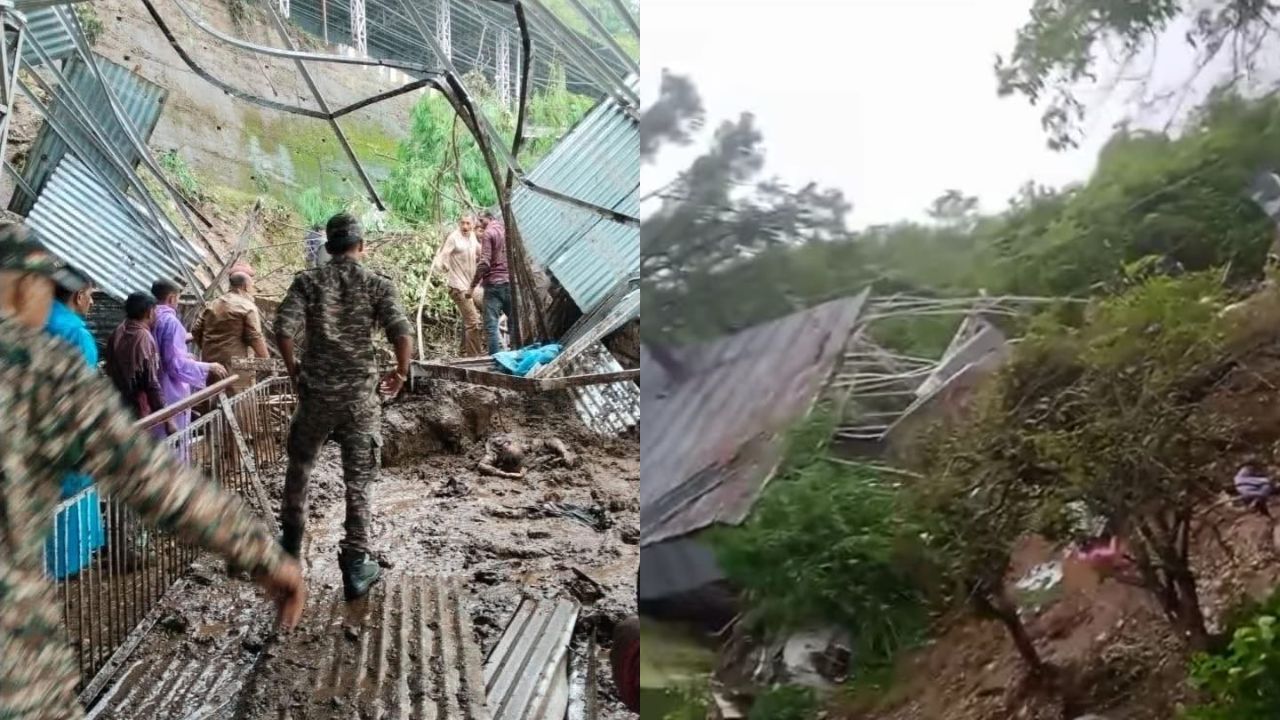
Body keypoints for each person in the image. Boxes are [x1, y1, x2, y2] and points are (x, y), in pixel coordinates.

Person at [0, 223, 305, 718]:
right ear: (22, 288)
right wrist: (262, 554)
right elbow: (153, 479)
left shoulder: (165, 322)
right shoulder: (38, 366)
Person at [275, 212, 413, 600]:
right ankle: (355, 565)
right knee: (359, 481)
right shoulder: (376, 284)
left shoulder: (307, 282)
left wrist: (293, 370)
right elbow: (402, 333)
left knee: (300, 469)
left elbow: (282, 329)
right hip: (359, 401)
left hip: (315, 398)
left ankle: (289, 550)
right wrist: (401, 373)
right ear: (361, 246)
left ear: (329, 247)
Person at [42, 266, 105, 580]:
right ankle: (66, 567)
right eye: (90, 295)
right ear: (79, 296)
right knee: (71, 497)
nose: (91, 302)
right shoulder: (75, 334)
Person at [151, 278, 227, 438]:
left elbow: (162, 352)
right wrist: (207, 367)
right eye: (178, 299)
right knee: (172, 439)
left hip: (152, 386)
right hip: (168, 389)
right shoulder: (171, 322)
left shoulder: (150, 317)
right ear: (172, 298)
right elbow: (174, 364)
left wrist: (185, 355)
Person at [105, 292, 175, 435]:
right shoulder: (143, 337)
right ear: (149, 312)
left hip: (116, 403)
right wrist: (168, 420)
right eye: (155, 310)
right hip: (136, 407)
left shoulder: (117, 331)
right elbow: (151, 383)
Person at [192, 271, 269, 395]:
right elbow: (255, 337)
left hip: (211, 363)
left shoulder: (212, 304)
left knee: (213, 397)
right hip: (237, 367)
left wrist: (209, 349)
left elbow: (196, 330)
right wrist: (267, 361)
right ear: (245, 287)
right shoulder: (247, 307)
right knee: (239, 400)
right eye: (252, 286)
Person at [430, 214, 484, 356]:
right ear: (459, 223)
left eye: (468, 223)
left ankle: (464, 350)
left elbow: (480, 251)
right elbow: (443, 255)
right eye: (462, 223)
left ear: (473, 225)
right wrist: (443, 265)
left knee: (486, 309)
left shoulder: (472, 237)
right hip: (457, 286)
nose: (465, 226)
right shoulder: (454, 237)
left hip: (471, 286)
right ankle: (474, 357)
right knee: (473, 322)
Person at [471, 209, 518, 355]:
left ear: (489, 218)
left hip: (493, 285)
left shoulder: (488, 233)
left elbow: (485, 262)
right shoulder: (506, 230)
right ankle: (516, 354)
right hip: (509, 282)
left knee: (491, 326)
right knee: (514, 322)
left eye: (481, 220)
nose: (480, 224)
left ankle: (495, 359)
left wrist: (472, 285)